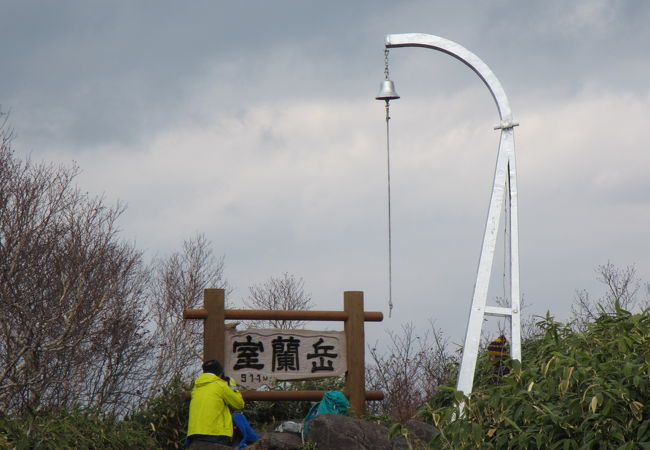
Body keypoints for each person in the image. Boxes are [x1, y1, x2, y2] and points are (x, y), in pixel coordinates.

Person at [187, 359, 245, 448]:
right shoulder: (220, 385)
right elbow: (239, 404)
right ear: (220, 373)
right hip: (214, 433)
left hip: (194, 435)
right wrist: (232, 385)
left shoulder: (196, 388)